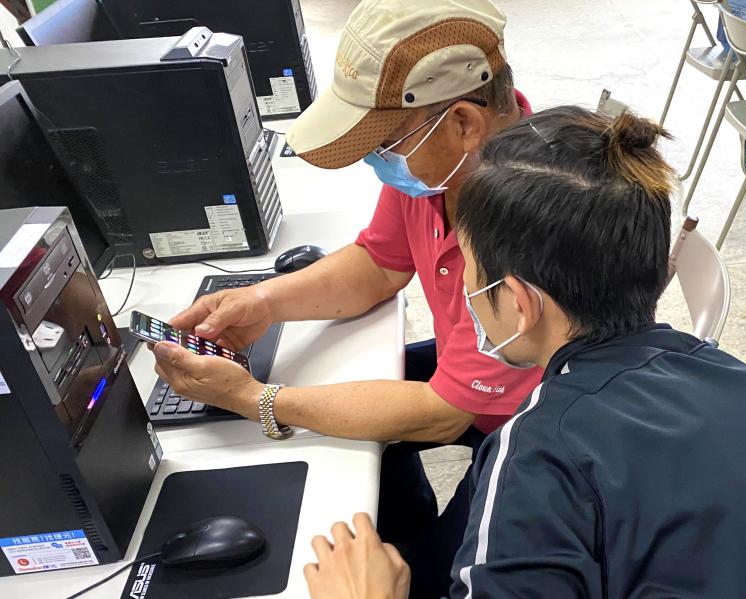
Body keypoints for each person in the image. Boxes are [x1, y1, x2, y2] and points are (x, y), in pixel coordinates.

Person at [303, 106, 746, 598]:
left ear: (520, 304)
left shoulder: (537, 451)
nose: (466, 290)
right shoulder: (734, 375)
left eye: (469, 272)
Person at [151, 0, 539, 595]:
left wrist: (258, 400)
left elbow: (446, 411)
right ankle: (402, 523)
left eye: (384, 142)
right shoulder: (445, 167)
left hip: (529, 427)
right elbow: (380, 264)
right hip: (470, 380)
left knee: (435, 575)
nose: (377, 159)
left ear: (463, 122)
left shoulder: (526, 229)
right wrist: (263, 301)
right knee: (363, 406)